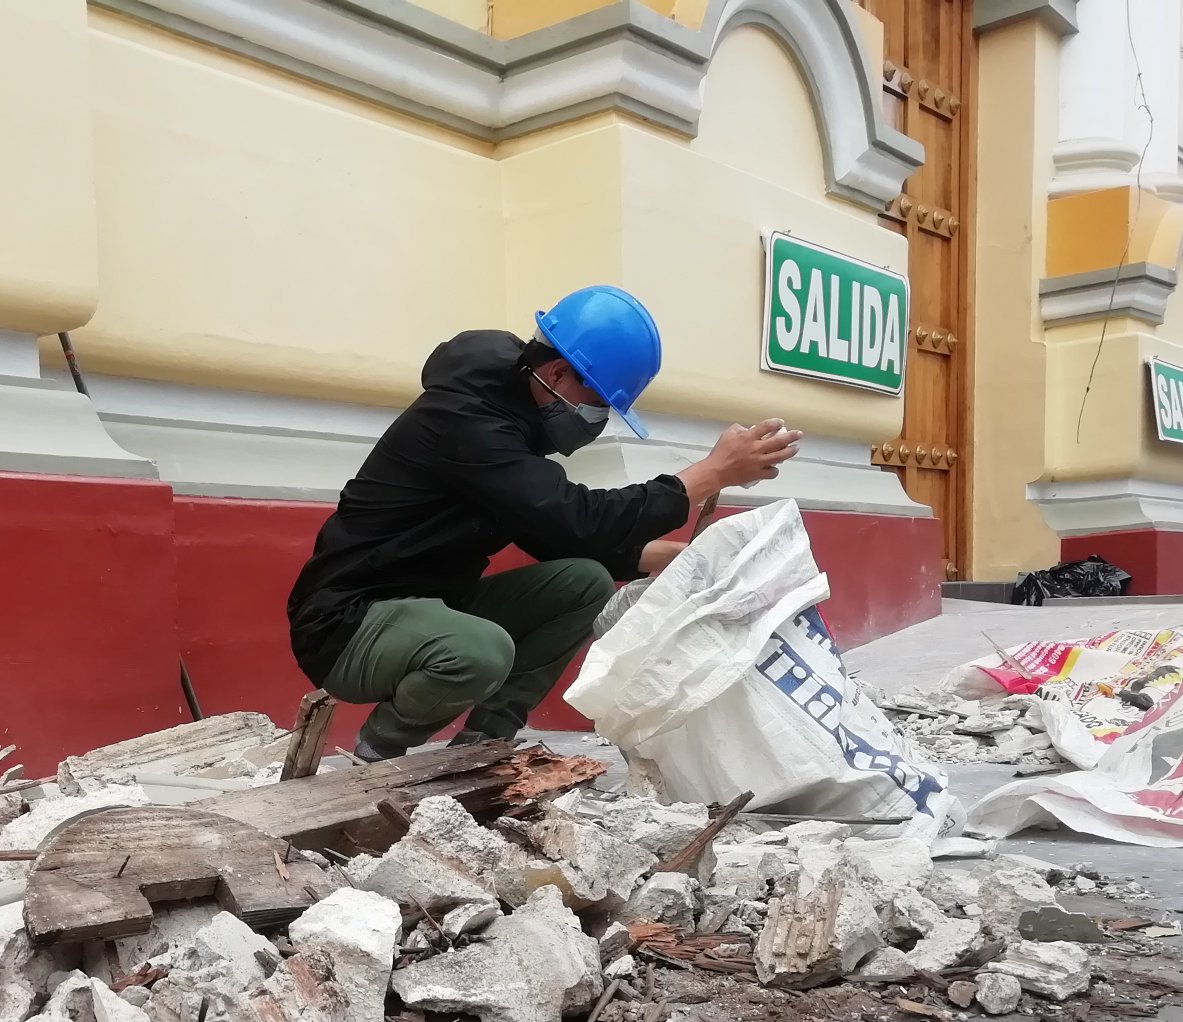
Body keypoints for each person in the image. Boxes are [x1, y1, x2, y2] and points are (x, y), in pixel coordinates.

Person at [285, 285, 801, 761]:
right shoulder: (465, 423)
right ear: (557, 375)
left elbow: (552, 532)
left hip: (431, 609)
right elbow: (573, 517)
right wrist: (712, 473)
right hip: (347, 625)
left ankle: (483, 744)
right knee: (482, 652)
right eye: (598, 404)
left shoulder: (508, 425)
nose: (597, 421)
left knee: (584, 582)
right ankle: (376, 758)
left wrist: (670, 558)